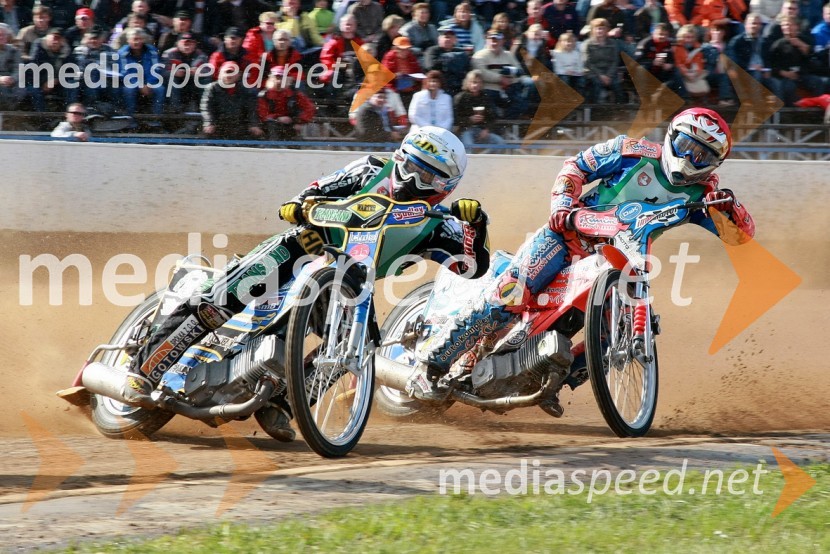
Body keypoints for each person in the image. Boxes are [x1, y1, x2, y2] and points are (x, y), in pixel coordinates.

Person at [121, 127, 490, 441]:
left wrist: (477, 225)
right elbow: (317, 190)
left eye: (427, 177)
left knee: (355, 345)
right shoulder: (371, 169)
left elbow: (472, 268)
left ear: (446, 186)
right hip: (302, 248)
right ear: (399, 158)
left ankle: (281, 403)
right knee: (224, 297)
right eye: (410, 167)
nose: (411, 180)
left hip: (350, 283)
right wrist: (299, 205)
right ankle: (146, 368)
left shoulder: (440, 223)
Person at [409, 108, 756, 416]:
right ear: (670, 137)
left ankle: (546, 381)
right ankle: (430, 365)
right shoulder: (631, 151)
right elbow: (576, 167)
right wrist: (563, 205)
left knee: (609, 336)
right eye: (686, 146)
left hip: (620, 259)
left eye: (702, 155)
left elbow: (740, 236)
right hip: (567, 237)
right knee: (509, 295)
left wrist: (731, 209)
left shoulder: (705, 196)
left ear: (715, 163)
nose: (691, 158)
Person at [201, 61, 263, 138]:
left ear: (238, 75)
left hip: (239, 125)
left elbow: (251, 109)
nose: (229, 75)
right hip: (218, 125)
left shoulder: (246, 90)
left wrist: (254, 125)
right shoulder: (212, 88)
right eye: (227, 72)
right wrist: (209, 123)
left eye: (232, 72)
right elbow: (206, 107)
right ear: (220, 74)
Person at [258, 65, 316, 140]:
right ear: (270, 79)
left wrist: (300, 121)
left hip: (291, 125)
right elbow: (263, 115)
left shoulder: (295, 94)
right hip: (271, 126)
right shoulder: (264, 95)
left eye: (282, 78)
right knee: (271, 125)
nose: (279, 81)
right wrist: (278, 118)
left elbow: (310, 108)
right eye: (276, 78)